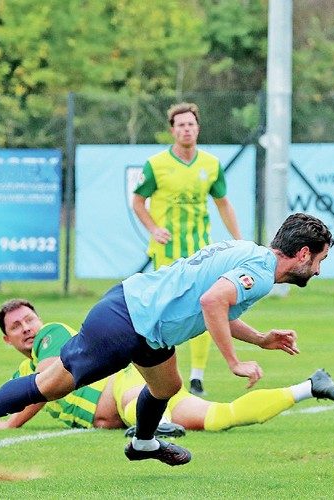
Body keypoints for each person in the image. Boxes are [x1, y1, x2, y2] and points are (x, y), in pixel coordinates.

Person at [0, 212, 334, 466]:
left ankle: (143, 442)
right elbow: (213, 302)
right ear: (303, 254)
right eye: (319, 260)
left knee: (167, 385)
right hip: (128, 318)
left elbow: (218, 307)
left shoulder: (249, 252)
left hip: (148, 326)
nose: (317, 270)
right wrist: (235, 361)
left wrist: (261, 339)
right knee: (51, 385)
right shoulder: (262, 274)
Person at [0, 299, 334, 433]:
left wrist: (5, 421)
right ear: (6, 340)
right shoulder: (20, 379)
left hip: (128, 384)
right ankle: (310, 387)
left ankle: (152, 429)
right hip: (134, 395)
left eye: (29, 319)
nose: (27, 328)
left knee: (138, 401)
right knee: (220, 419)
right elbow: (23, 398)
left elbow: (43, 383)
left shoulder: (52, 336)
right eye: (16, 327)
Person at [132, 102, 243, 397]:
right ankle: (156, 374)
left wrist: (239, 240)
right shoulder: (156, 165)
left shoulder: (211, 164)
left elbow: (223, 204)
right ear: (172, 131)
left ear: (198, 129)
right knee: (162, 311)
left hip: (200, 251)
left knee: (205, 306)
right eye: (180, 125)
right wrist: (154, 228)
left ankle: (196, 377)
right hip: (167, 251)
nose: (186, 129)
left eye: (191, 124)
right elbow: (137, 202)